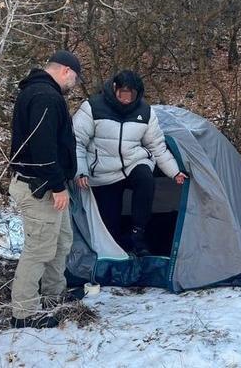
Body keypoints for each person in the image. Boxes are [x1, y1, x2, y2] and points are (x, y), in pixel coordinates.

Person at [73, 70, 188, 256]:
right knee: (110, 224)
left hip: (133, 163)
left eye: (131, 95)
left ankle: (138, 232)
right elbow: (77, 141)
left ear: (138, 94)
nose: (126, 99)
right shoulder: (92, 108)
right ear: (114, 89)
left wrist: (174, 172)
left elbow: (157, 146)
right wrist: (81, 171)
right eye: (122, 94)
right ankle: (118, 246)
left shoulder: (145, 111)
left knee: (145, 177)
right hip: (103, 170)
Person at [8, 50, 82, 329]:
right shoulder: (45, 97)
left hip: (50, 186)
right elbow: (42, 148)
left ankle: (53, 295)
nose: (73, 84)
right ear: (65, 71)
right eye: (74, 78)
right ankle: (24, 314)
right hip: (40, 188)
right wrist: (57, 185)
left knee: (61, 241)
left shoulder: (41, 92)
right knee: (38, 250)